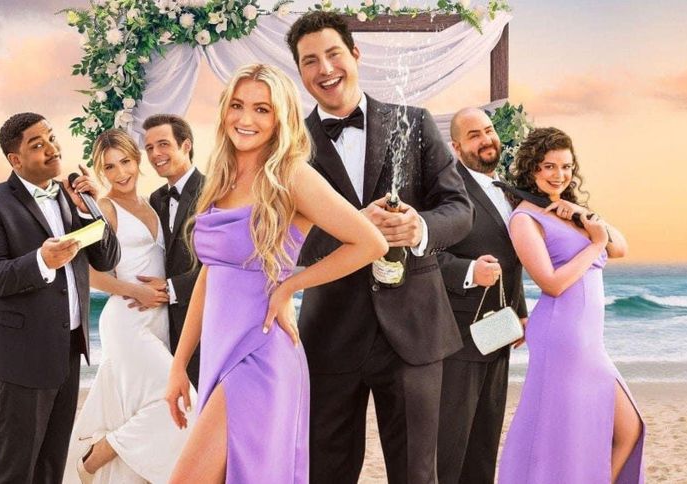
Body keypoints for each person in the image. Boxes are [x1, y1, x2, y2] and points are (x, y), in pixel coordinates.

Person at [164, 63, 388, 483]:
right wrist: (179, 365)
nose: (245, 119)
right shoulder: (221, 177)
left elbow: (370, 243)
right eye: (237, 105)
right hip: (219, 351)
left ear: (280, 117)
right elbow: (211, 276)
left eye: (262, 109)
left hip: (260, 353)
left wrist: (291, 286)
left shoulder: (292, 175)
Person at [285, 12, 474, 483]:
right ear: (300, 71)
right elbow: (286, 241)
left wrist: (419, 227)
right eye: (310, 61)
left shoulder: (415, 122)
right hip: (329, 334)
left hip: (414, 331)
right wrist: (354, 230)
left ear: (355, 54)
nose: (325, 68)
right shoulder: (288, 148)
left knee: (416, 475)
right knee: (324, 473)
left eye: (333, 54)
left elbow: (459, 209)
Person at [0, 112, 120, 483]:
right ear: (15, 159)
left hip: (66, 350)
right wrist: (41, 261)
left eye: (51, 138)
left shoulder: (71, 197)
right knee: (13, 468)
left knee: (51, 465)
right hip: (16, 357)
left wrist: (90, 209)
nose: (52, 149)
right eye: (38, 145)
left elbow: (108, 259)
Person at [498, 127, 644, 483]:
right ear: (532, 168)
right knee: (565, 437)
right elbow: (551, 283)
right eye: (549, 166)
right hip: (561, 337)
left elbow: (620, 246)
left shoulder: (567, 212)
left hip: (589, 341)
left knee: (629, 429)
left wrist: (579, 213)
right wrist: (595, 245)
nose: (559, 175)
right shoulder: (524, 219)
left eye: (565, 166)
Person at [63, 129, 194, 483]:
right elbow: (84, 271)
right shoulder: (104, 209)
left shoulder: (154, 203)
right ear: (100, 171)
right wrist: (134, 291)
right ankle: (94, 457)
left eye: (125, 162)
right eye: (110, 167)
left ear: (137, 160)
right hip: (127, 321)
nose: (120, 173)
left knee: (141, 407)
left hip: (160, 320)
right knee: (180, 402)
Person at [436, 107, 528, 484]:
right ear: (457, 147)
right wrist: (469, 271)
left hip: (499, 335)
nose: (486, 139)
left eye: (489, 130)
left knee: (483, 446)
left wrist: (520, 309)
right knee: (448, 449)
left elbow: (512, 257)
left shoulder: (508, 189)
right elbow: (419, 254)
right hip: (458, 339)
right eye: (474, 135)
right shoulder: (446, 191)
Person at [144, 114, 205, 387]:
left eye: (163, 144)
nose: (155, 154)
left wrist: (171, 288)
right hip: (164, 325)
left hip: (204, 321)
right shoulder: (156, 199)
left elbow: (224, 263)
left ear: (186, 145)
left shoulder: (214, 191)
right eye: (149, 148)